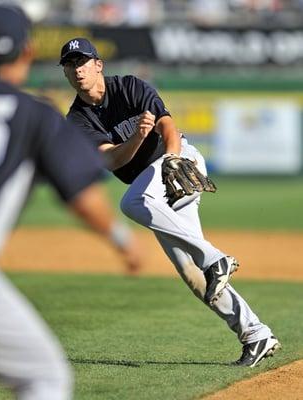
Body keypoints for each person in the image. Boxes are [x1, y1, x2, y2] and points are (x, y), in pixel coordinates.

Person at [59, 36, 281, 368]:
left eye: (82, 62)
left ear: (98, 65)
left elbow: (167, 124)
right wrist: (136, 138)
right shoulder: (77, 120)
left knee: (130, 204)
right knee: (193, 275)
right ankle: (255, 334)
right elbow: (112, 161)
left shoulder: (129, 87)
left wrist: (173, 161)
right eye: (69, 64)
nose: (77, 70)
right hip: (148, 188)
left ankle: (214, 258)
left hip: (177, 163)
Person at [0, 5, 143, 400]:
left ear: (97, 65)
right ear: (27, 52)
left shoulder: (124, 87)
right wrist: (121, 240)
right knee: (45, 378)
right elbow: (81, 197)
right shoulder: (35, 115)